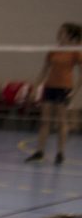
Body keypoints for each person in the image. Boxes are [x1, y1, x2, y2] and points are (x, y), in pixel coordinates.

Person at [26, 22, 82, 165]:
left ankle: (60, 153)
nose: (59, 34)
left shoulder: (75, 51)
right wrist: (35, 88)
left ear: (70, 35)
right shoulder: (53, 51)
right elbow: (44, 70)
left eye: (62, 32)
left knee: (61, 121)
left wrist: (74, 93)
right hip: (49, 87)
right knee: (45, 121)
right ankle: (39, 152)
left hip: (64, 89)